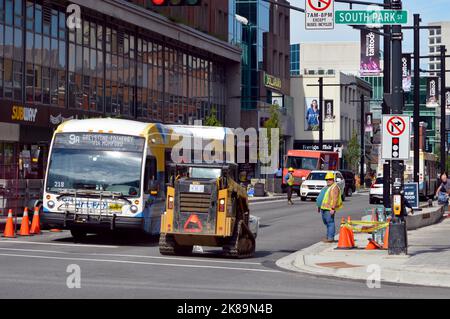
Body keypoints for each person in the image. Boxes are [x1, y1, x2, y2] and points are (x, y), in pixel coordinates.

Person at [318, 172, 343, 243]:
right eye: (327, 179)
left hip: (329, 209)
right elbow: (323, 197)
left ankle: (330, 238)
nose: (328, 181)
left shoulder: (335, 187)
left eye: (330, 179)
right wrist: (319, 206)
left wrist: (333, 208)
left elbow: (335, 199)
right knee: (327, 223)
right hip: (324, 208)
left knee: (330, 223)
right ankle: (328, 236)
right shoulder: (328, 187)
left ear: (333, 180)